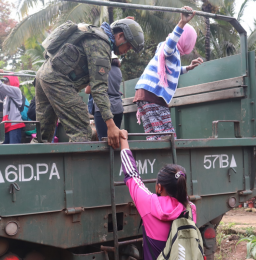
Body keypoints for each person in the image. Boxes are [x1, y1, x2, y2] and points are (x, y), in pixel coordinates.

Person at [35, 17, 144, 148]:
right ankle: (78, 168)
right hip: (57, 81)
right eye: (129, 45)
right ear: (120, 35)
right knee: (81, 131)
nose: (127, 50)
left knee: (42, 136)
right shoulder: (101, 45)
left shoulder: (93, 33)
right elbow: (98, 88)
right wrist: (111, 125)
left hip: (43, 75)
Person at [119, 129, 197, 260]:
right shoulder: (191, 209)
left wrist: (123, 140)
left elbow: (131, 173)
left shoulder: (148, 204)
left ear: (159, 187)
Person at [134, 6, 203, 140]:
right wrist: (182, 23)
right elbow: (170, 46)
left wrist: (187, 68)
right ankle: (168, 160)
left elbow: (171, 71)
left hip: (144, 94)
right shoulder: (171, 49)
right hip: (153, 95)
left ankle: (156, 159)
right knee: (167, 136)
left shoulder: (166, 50)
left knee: (153, 136)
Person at [85, 52, 123, 141]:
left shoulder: (101, 69)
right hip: (118, 107)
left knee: (103, 140)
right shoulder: (118, 70)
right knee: (115, 139)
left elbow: (88, 90)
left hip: (102, 108)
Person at [0, 68, 25, 144]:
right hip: (7, 125)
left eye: (7, 81)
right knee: (5, 150)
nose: (5, 83)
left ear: (12, 81)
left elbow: (0, 86)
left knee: (13, 150)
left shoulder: (16, 90)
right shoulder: (6, 96)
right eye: (4, 81)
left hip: (14, 125)